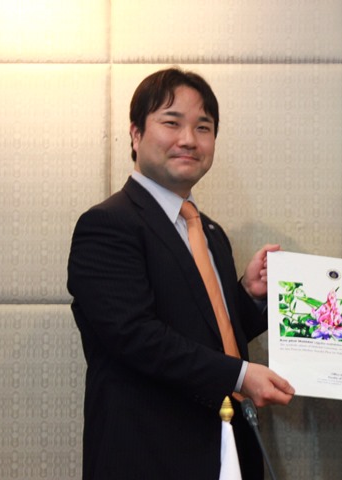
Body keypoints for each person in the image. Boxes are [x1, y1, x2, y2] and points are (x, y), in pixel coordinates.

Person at [67, 67, 295, 480]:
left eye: (203, 127)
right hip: (147, 453)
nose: (189, 139)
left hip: (226, 448)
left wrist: (248, 295)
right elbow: (135, 336)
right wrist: (241, 376)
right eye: (172, 123)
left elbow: (207, 333)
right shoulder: (107, 225)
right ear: (136, 134)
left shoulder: (210, 233)